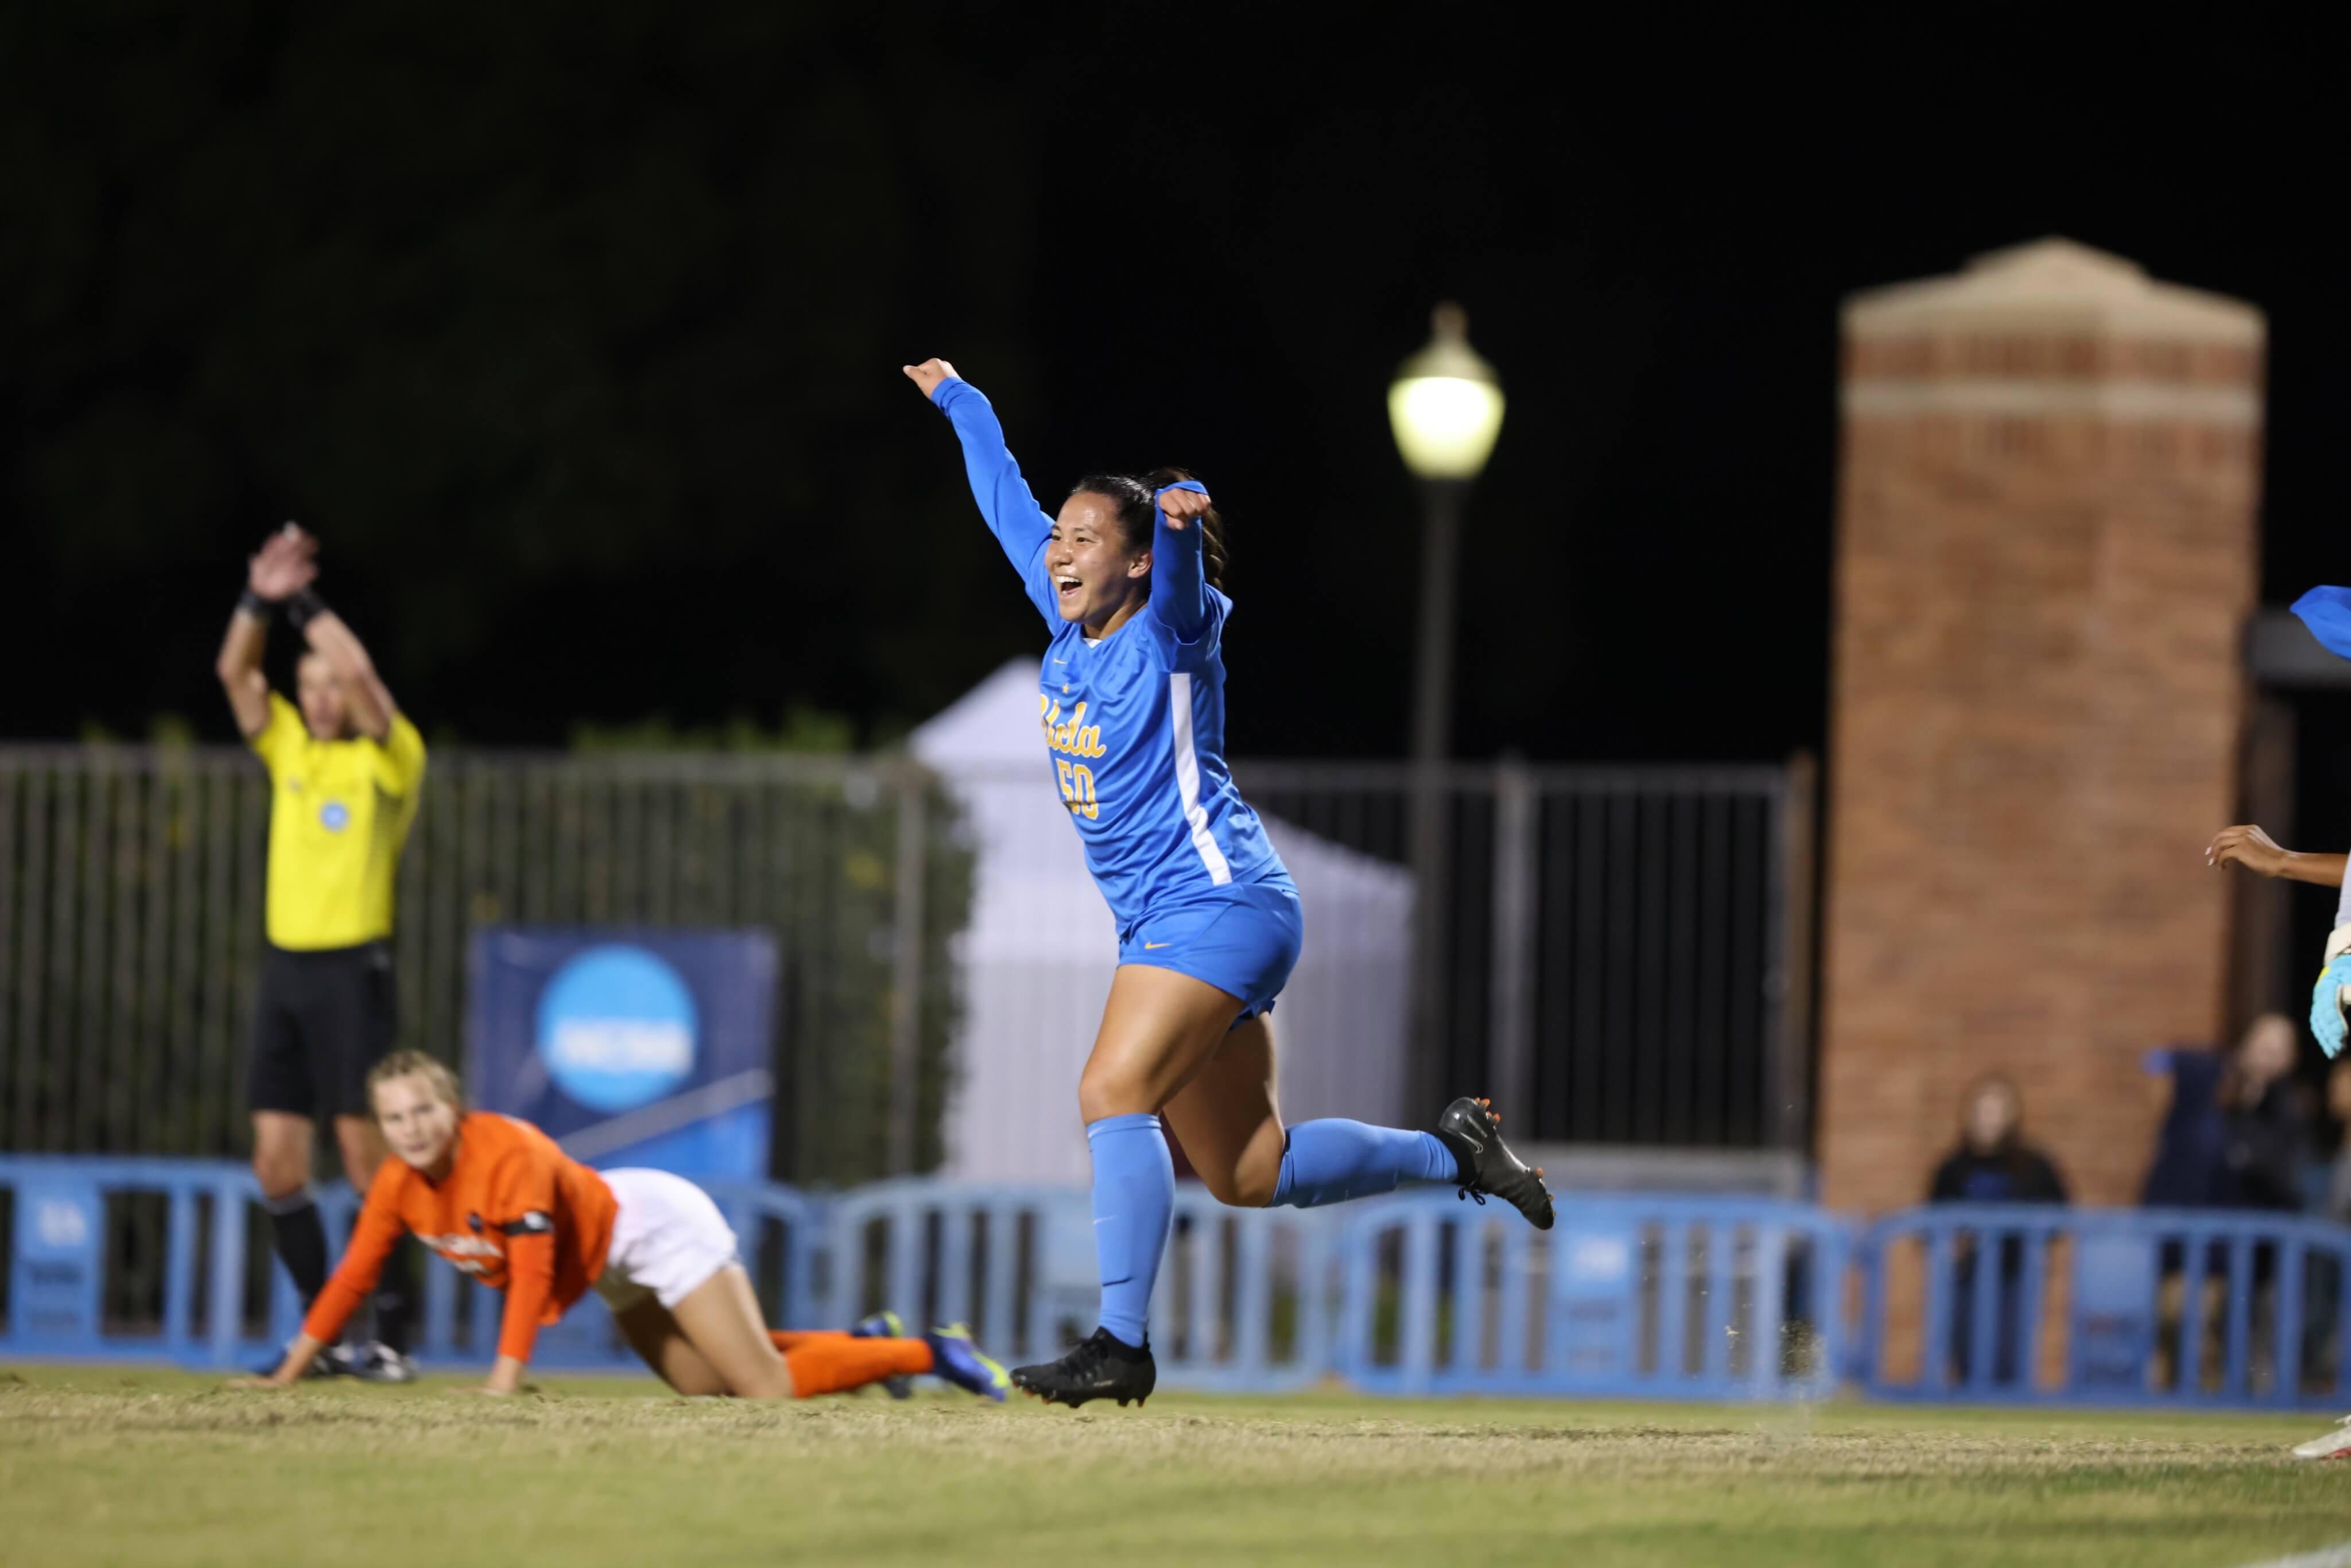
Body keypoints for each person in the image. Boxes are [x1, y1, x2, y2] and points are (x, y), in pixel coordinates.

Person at [906, 357, 1553, 1409]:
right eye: (1062, 536)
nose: (1061, 550)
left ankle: (1121, 1344)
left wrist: (1174, 529)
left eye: (1085, 540)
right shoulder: (1068, 616)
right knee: (1252, 1172)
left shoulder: (1171, 632)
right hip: (1188, 920)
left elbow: (1180, 587)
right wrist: (961, 401)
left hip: (1216, 904)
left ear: (1131, 563)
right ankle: (1455, 1152)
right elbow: (1004, 501)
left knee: (1111, 1093)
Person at [237, 1051, 1010, 1400]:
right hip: (609, 1265)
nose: (410, 1129)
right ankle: (859, 1345)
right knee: (707, 1383)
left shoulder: (509, 1153)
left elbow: (532, 1273)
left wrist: (503, 1383)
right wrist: (288, 1371)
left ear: (455, 1107)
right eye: (394, 1118)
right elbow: (352, 1277)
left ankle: (931, 1351)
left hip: (655, 1226)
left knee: (764, 1388)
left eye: (424, 1109)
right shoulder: (398, 1182)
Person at [216, 523, 428, 1381]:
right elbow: (234, 673)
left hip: (352, 970)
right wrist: (256, 603)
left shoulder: (389, 758)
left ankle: (392, 1332)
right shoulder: (289, 749)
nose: (322, 697)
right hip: (287, 970)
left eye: (330, 683)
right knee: (275, 1160)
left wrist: (303, 604)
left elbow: (369, 682)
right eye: (309, 685)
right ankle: (327, 1330)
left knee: (364, 1154)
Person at [1926, 1074, 2067, 1386]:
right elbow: (1932, 1221)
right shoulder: (1953, 1168)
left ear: (2012, 1114)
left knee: (2009, 1355)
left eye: (1998, 1109)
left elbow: (2059, 1213)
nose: (1989, 1118)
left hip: (2015, 1275)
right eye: (1982, 1109)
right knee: (1966, 1350)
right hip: (1967, 1276)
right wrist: (1950, 1244)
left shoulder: (2034, 1165)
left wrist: (2035, 1237)